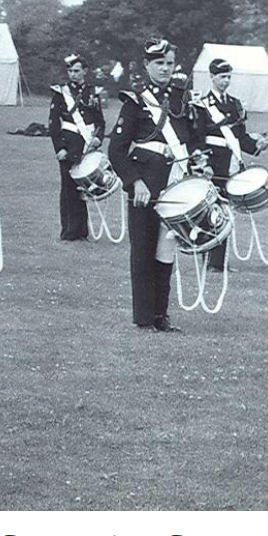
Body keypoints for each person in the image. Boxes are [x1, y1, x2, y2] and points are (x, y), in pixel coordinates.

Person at [107, 38, 199, 332]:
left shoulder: (182, 99)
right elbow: (117, 149)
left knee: (167, 249)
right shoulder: (135, 102)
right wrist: (135, 182)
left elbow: (192, 140)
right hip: (144, 190)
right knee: (144, 252)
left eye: (169, 63)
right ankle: (145, 318)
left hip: (175, 185)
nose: (165, 69)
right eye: (159, 63)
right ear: (147, 65)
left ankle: (162, 314)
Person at [194, 58, 268, 271]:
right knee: (208, 212)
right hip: (211, 166)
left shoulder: (235, 105)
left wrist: (258, 145)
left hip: (230, 166)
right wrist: (203, 163)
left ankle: (218, 263)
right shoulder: (201, 105)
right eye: (221, 77)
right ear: (212, 77)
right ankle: (207, 258)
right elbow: (197, 138)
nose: (225, 81)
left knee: (225, 213)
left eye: (228, 77)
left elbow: (241, 138)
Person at [49, 53, 106, 240]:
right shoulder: (60, 93)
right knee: (68, 189)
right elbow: (53, 124)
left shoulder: (92, 93)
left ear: (85, 72)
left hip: (86, 145)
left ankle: (82, 231)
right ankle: (68, 232)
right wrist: (60, 149)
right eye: (70, 71)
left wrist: (97, 139)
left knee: (84, 188)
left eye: (77, 71)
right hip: (68, 145)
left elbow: (100, 122)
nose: (73, 74)